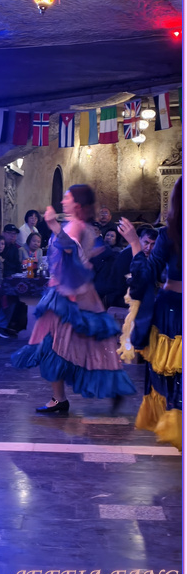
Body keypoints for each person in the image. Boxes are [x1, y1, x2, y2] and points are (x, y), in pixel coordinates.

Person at [11, 185, 136, 413]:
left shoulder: (76, 226)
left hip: (71, 298)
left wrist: (53, 226)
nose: (62, 202)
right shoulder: (78, 226)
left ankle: (79, 394)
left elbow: (70, 248)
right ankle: (62, 397)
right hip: (66, 294)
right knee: (62, 344)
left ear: (77, 204)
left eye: (67, 198)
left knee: (61, 345)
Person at [117, 178, 182, 451]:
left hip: (173, 312)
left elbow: (144, 277)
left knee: (173, 374)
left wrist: (134, 242)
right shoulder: (169, 235)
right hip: (172, 312)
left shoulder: (170, 234)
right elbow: (146, 277)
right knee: (173, 373)